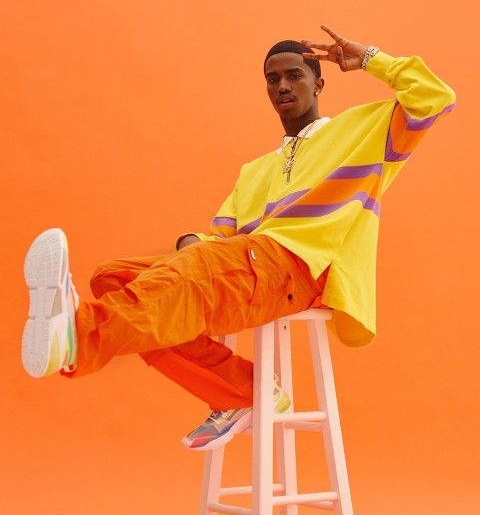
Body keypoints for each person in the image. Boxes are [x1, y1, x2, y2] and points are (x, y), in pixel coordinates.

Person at [21, 24, 456, 451]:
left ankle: (78, 335)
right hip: (251, 263)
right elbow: (220, 238)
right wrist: (190, 244)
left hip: (303, 269)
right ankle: (242, 392)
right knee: (113, 277)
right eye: (273, 79)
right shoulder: (255, 170)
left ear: (319, 82)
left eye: (294, 75)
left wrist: (369, 59)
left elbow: (435, 98)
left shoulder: (365, 132)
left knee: (195, 268)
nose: (282, 86)